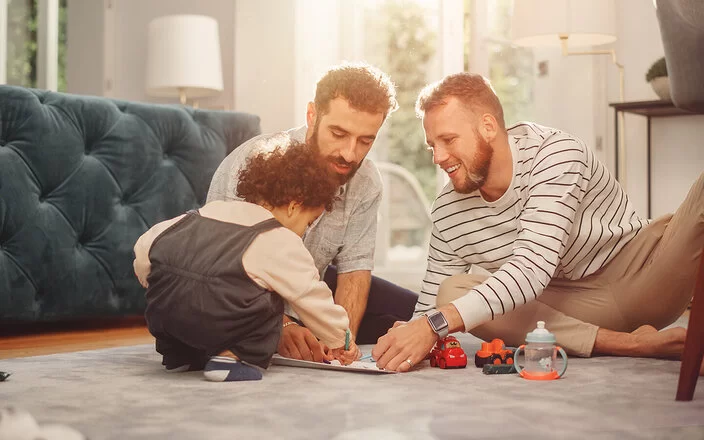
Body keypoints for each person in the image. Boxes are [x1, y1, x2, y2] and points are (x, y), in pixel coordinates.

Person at [372, 72, 703, 373]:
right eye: (432, 145)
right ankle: (628, 343)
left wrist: (433, 325)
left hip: (644, 272)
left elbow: (531, 269)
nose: (438, 157)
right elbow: (430, 306)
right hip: (574, 309)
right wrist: (409, 334)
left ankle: (631, 336)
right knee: (451, 293)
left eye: (448, 140)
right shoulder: (448, 209)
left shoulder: (555, 153)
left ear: (488, 127)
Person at [207, 62, 419, 362]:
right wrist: (278, 325)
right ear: (312, 115)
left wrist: (341, 342)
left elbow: (354, 270)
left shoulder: (367, 181)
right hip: (239, 289)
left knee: (415, 317)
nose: (350, 153)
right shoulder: (254, 164)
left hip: (313, 285)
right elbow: (221, 270)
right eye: (338, 133)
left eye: (365, 140)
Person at [133, 138, 358, 382]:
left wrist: (156, 282)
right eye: (308, 222)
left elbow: (146, 248)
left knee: (183, 287)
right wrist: (340, 339)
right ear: (294, 206)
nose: (305, 231)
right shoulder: (278, 239)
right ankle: (229, 359)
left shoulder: (207, 212)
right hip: (217, 319)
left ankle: (182, 357)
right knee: (270, 305)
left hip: (165, 316)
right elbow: (312, 298)